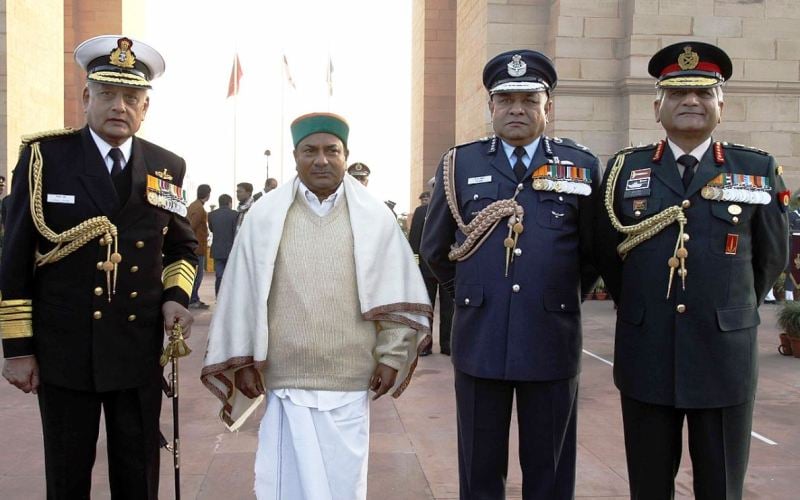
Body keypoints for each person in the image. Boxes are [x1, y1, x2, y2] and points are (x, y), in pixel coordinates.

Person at [0, 35, 198, 499]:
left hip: (137, 348)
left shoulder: (166, 166)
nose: (119, 106)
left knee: (139, 470)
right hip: (65, 349)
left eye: (132, 98)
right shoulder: (45, 158)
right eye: (107, 94)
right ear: (86, 97)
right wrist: (17, 350)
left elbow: (183, 249)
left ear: (145, 108)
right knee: (67, 473)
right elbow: (15, 259)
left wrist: (175, 299)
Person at [201, 112, 432, 500]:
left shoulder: (375, 217)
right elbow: (241, 297)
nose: (321, 160)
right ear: (295, 156)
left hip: (350, 375)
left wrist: (392, 357)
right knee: (284, 482)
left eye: (331, 150)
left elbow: (397, 293)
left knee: (343, 483)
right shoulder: (264, 216)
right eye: (310, 150)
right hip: (283, 376)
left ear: (345, 155)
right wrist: (241, 363)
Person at [595, 41, 789, 500]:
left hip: (724, 354)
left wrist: (728, 306)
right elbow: (608, 253)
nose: (691, 101)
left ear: (721, 104)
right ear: (656, 105)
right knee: (648, 484)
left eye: (704, 92)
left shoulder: (754, 169)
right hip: (648, 351)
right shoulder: (625, 169)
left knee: (720, 486)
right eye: (678, 92)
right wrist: (642, 304)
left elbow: (770, 259)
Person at [420, 50, 600, 499]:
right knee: (479, 465)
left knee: (550, 468)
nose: (516, 109)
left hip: (551, 335)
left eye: (529, 99)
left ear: (548, 107)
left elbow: (594, 251)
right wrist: (473, 293)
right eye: (505, 100)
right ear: (491, 106)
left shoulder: (581, 165)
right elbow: (436, 248)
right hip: (480, 336)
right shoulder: (460, 164)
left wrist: (555, 293)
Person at [409, 190, 453, 356]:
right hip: (426, 268)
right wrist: (415, 266)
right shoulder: (422, 211)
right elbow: (414, 240)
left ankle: (447, 344)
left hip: (448, 267)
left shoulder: (453, 208)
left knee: (449, 309)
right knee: (426, 308)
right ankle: (425, 344)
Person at [208, 193, 239, 296]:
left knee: (219, 275)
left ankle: (219, 296)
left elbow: (212, 229)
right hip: (231, 250)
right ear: (230, 203)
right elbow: (236, 231)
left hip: (217, 249)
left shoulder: (211, 215)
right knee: (232, 276)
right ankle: (229, 298)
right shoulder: (235, 214)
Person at [187, 183, 211, 309]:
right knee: (197, 275)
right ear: (208, 195)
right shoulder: (199, 208)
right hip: (197, 247)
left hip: (195, 246)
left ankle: (194, 297)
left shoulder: (193, 206)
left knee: (195, 274)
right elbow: (191, 226)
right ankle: (192, 298)